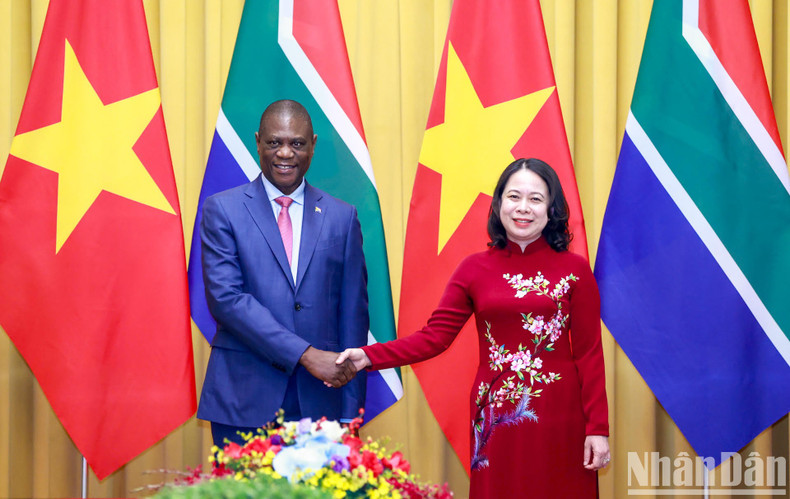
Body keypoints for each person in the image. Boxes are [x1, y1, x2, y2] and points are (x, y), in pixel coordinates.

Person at [337, 158, 609, 498]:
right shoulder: (474, 269)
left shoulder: (575, 269)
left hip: (561, 415)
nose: (523, 208)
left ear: (552, 208)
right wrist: (367, 356)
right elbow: (433, 338)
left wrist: (598, 428)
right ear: (498, 204)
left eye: (535, 199)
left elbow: (589, 353)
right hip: (496, 416)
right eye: (514, 197)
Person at [197, 99, 368, 448]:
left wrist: (351, 412)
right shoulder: (222, 210)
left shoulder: (342, 217)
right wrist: (306, 355)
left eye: (297, 143)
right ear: (258, 142)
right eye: (275, 142)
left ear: (313, 144)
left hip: (322, 403)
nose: (285, 153)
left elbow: (353, 315)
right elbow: (227, 302)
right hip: (243, 399)